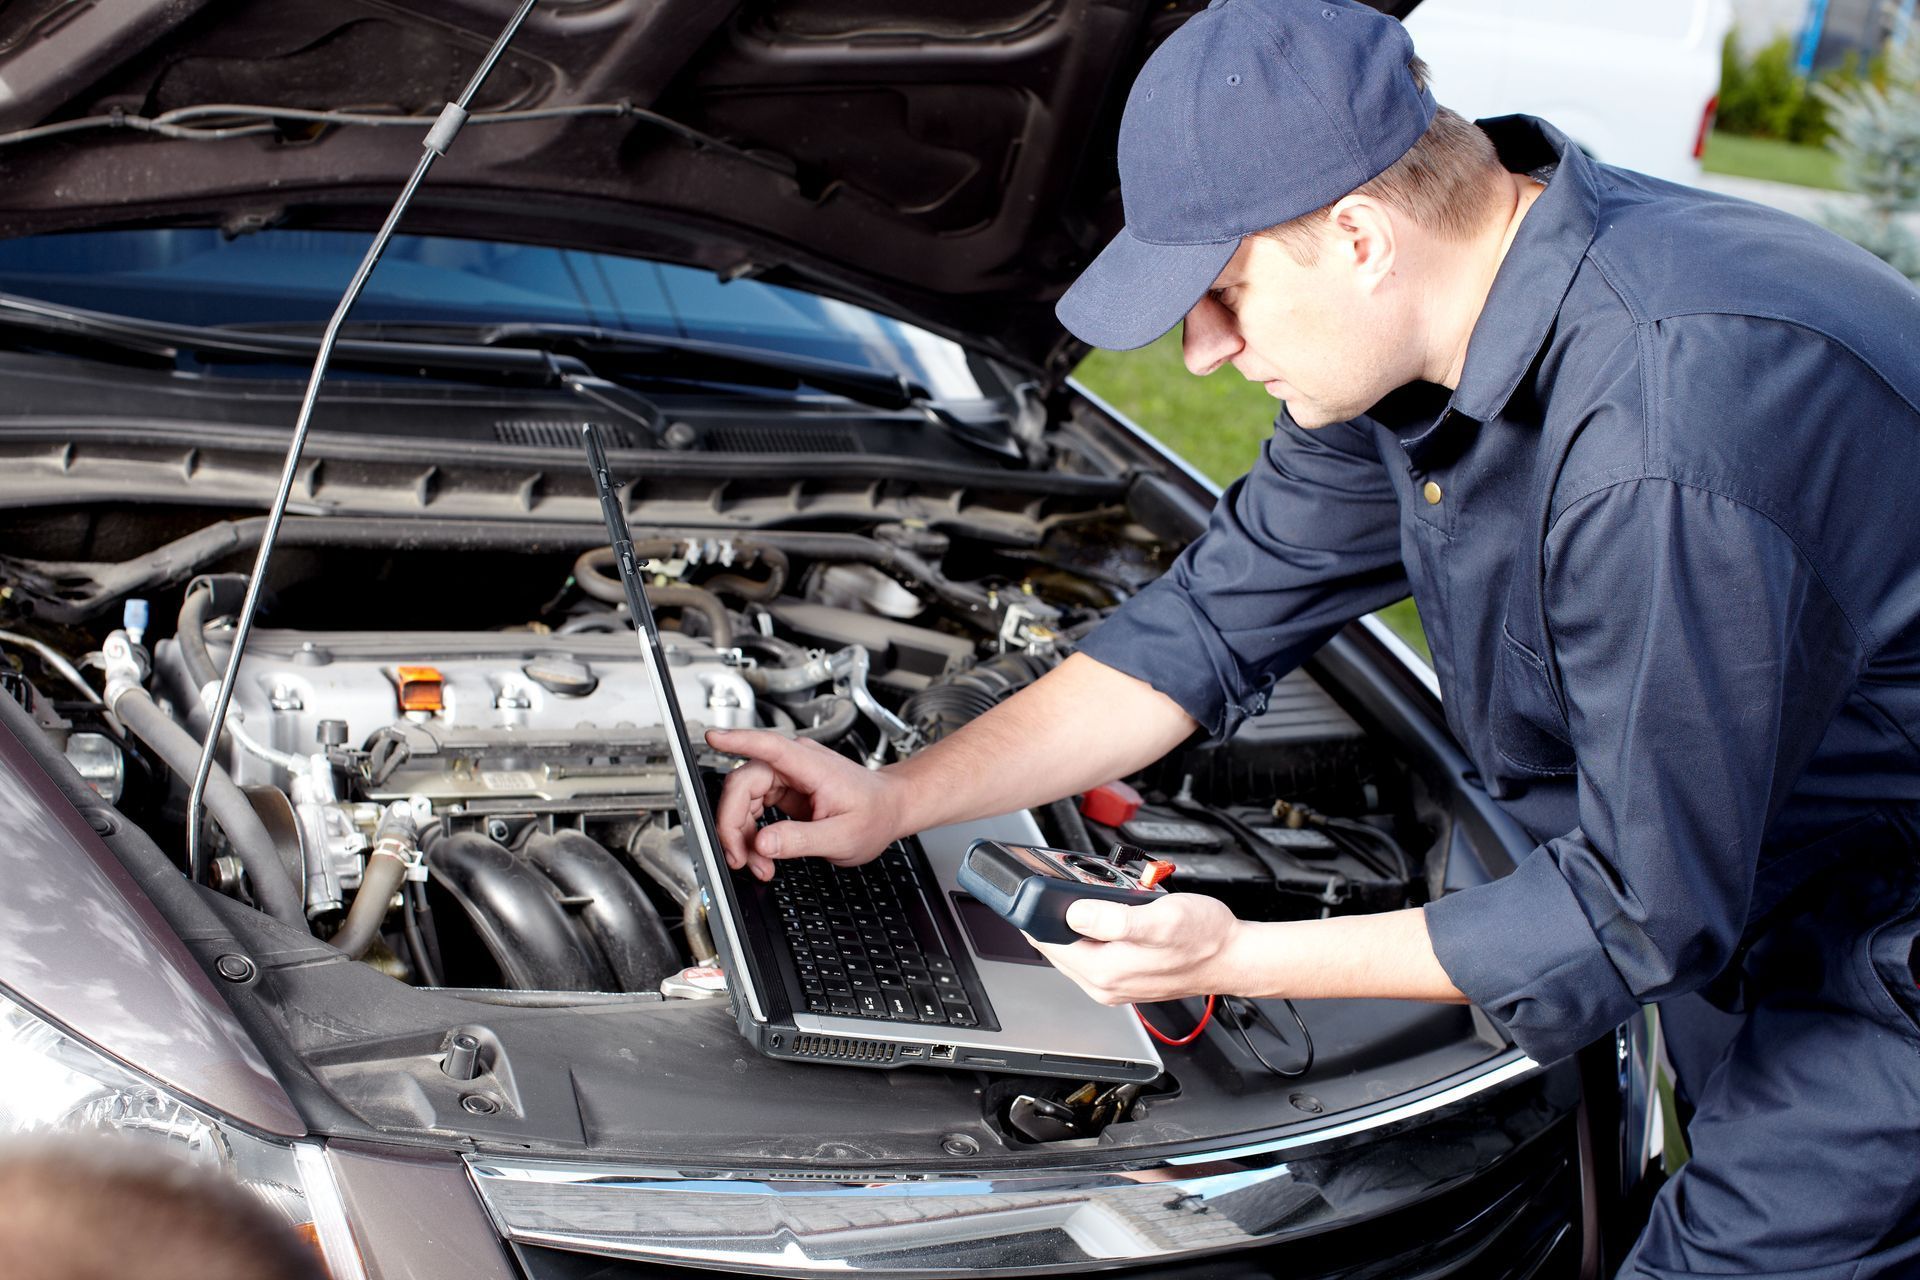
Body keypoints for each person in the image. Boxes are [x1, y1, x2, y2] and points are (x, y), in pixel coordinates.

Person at [707, 1, 1920, 1274]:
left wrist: (1237, 953)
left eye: (1225, 290)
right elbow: (1206, 622)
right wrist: (900, 797)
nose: (1206, 347)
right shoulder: (1429, 333)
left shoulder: (1660, 437)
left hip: (1881, 952)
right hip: (1761, 883)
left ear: (1357, 235)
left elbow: (1638, 910)